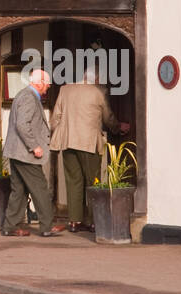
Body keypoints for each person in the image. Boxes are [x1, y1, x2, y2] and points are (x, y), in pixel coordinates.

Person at [49, 67, 128, 232]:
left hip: (68, 141)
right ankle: (93, 221)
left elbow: (55, 118)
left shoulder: (65, 90)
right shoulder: (98, 92)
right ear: (96, 78)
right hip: (89, 143)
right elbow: (108, 117)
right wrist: (117, 127)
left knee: (73, 181)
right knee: (93, 181)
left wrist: (58, 134)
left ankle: (74, 221)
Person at [2, 67, 65, 238]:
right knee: (40, 189)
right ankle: (47, 226)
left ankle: (10, 226)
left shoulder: (23, 95)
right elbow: (22, 125)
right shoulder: (29, 98)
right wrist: (34, 146)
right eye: (47, 84)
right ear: (39, 83)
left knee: (19, 190)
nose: (48, 87)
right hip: (25, 153)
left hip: (16, 152)